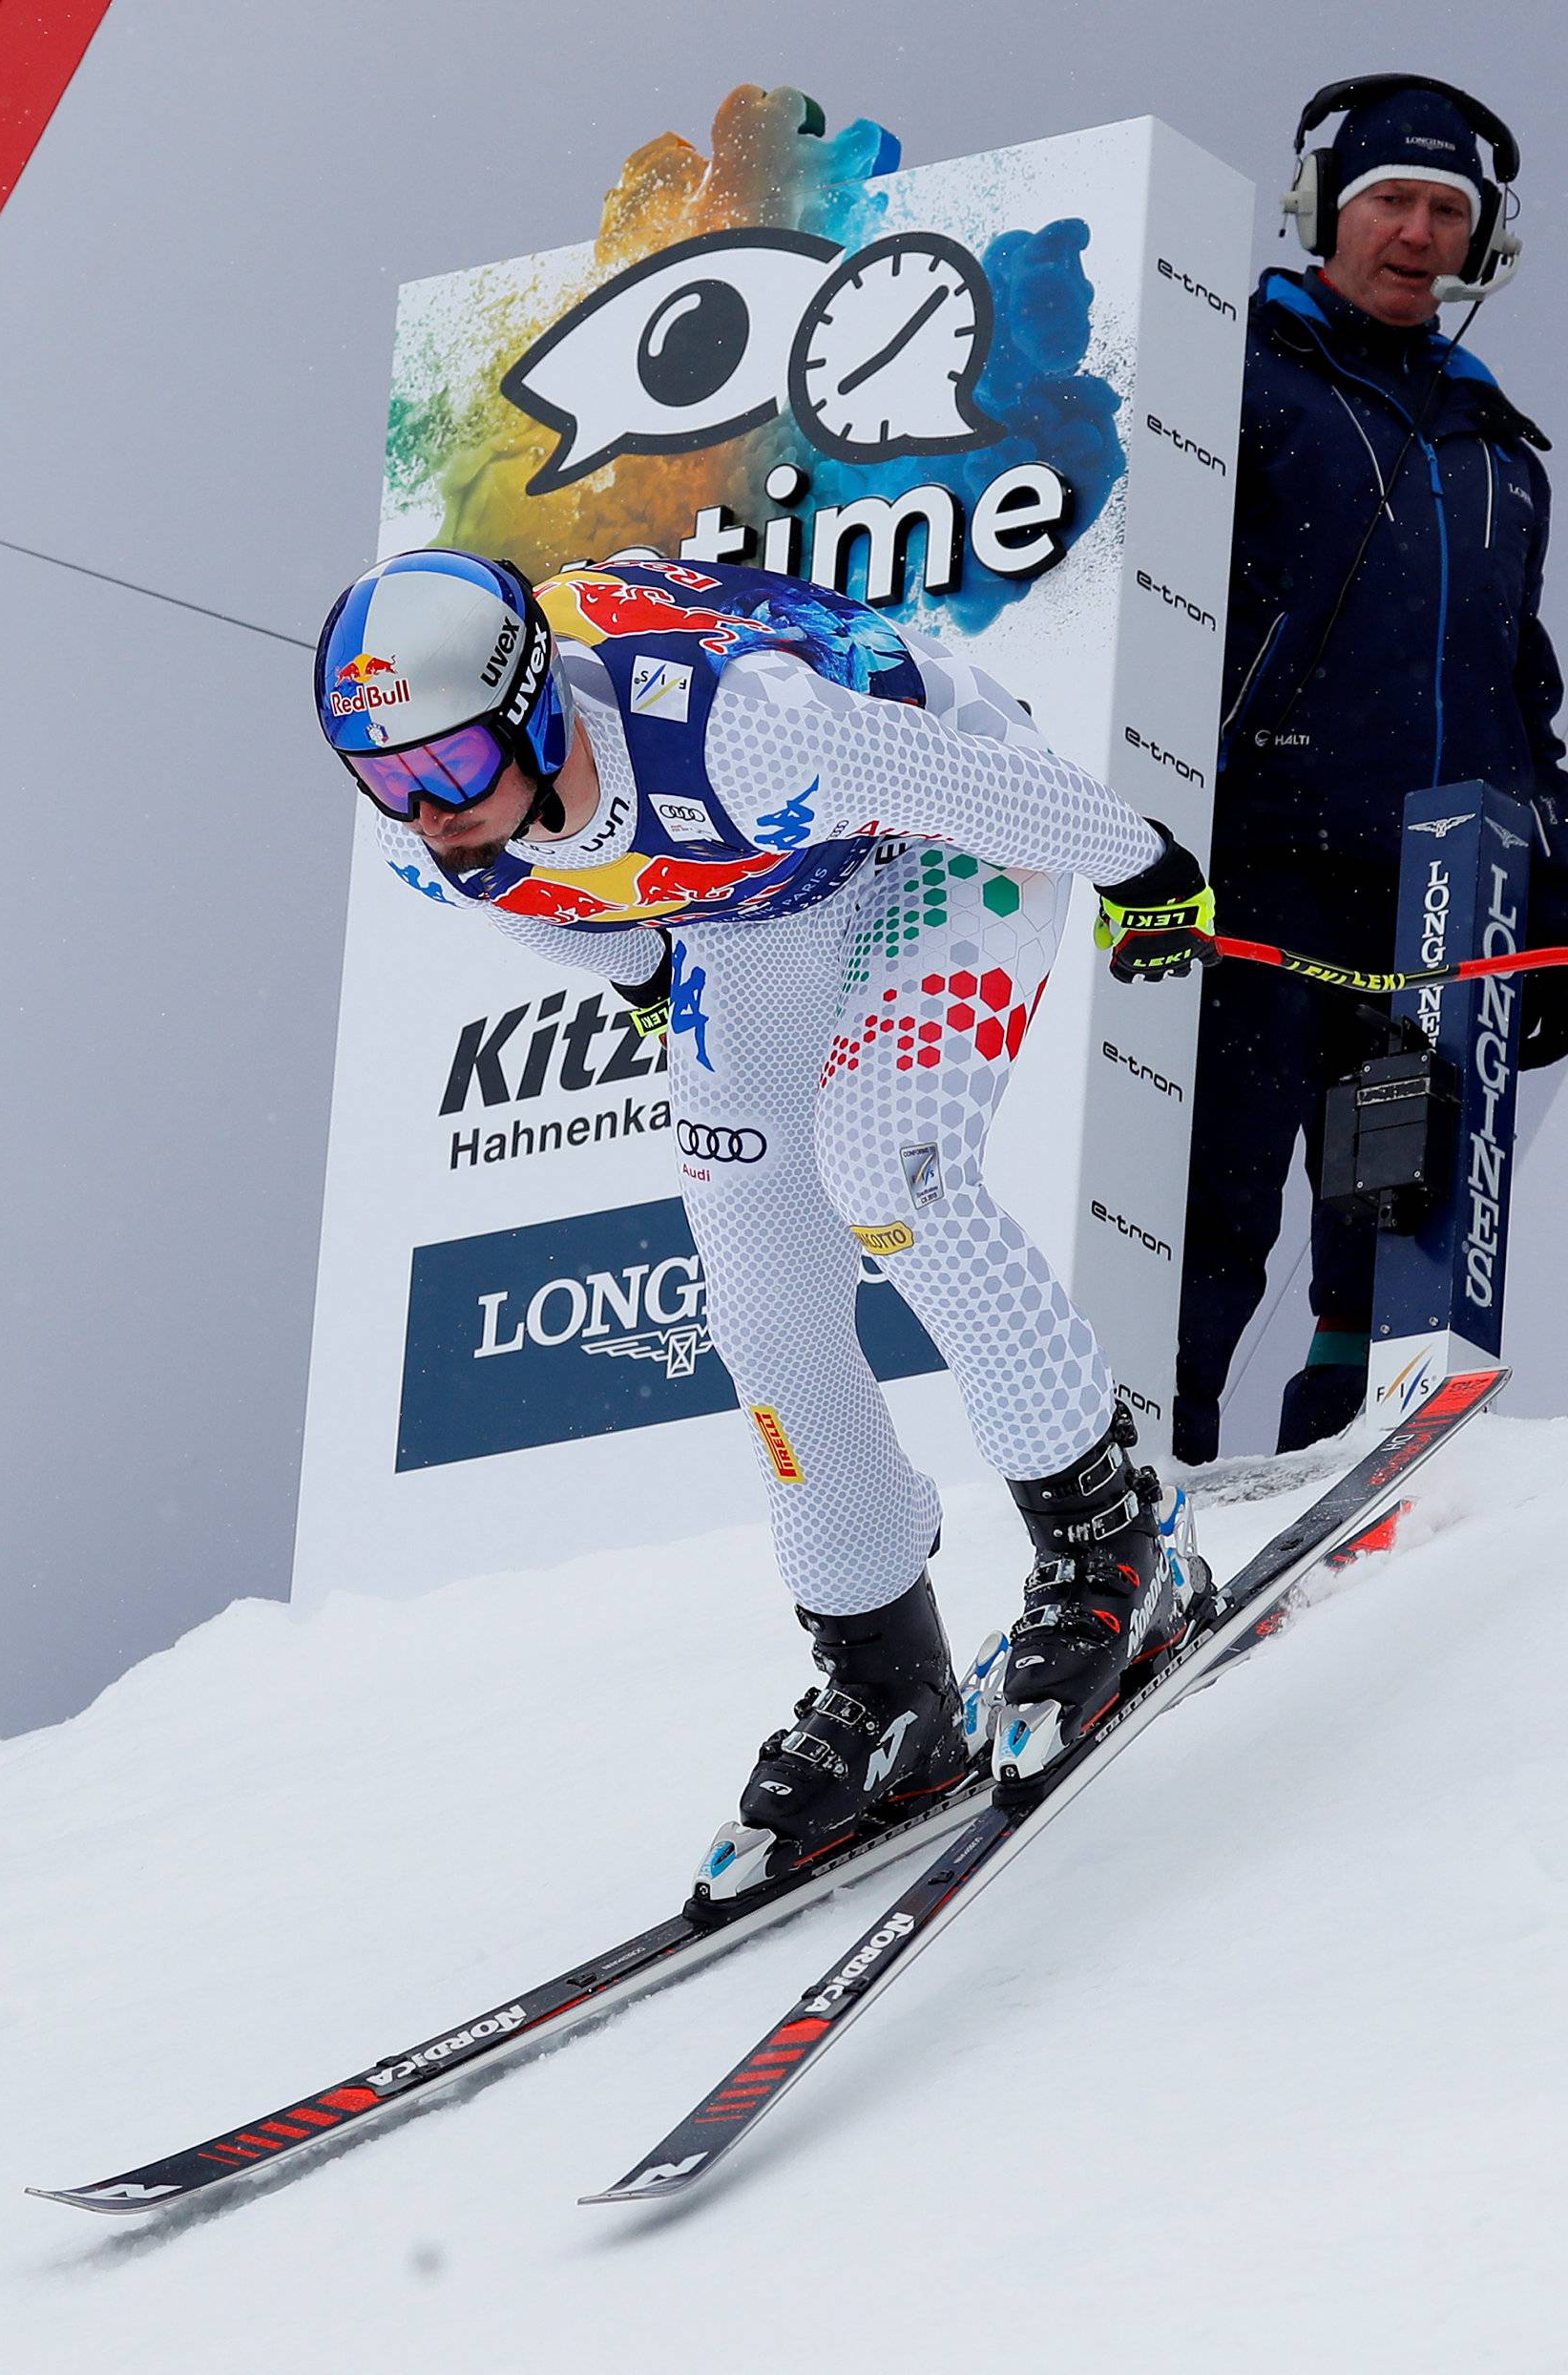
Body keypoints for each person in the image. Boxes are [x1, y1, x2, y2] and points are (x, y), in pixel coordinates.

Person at [316, 547, 1216, 1894]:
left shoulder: (735, 730)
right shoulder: (429, 839)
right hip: (750, 904)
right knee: (755, 1290)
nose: (423, 813)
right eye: (384, 781)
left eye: (445, 771)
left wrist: (1148, 872)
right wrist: (639, 976)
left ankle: (1108, 1541)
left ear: (532, 710)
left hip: (939, 832)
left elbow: (989, 785)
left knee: (884, 1166)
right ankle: (884, 1678)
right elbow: (560, 913)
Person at [1176, 75, 1568, 1464]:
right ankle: (1148, 1488)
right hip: (1261, 871)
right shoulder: (1226, 370)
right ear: (1323, 213)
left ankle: (1340, 1482)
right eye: (1390, 200)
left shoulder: (1499, 446)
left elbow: (1523, 688)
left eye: (1446, 211)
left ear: (1482, 242)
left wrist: (1550, 884)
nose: (1417, 232)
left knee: (1388, 1217)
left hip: (1438, 907)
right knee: (1212, 1201)